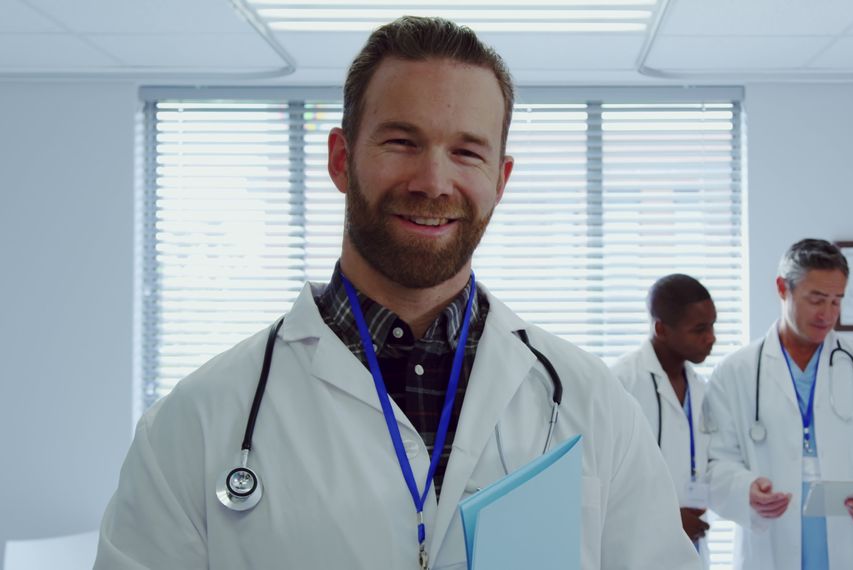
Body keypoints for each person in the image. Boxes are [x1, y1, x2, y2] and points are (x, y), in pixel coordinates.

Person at [94, 16, 699, 570]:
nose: (433, 182)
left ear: (500, 179)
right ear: (340, 159)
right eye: (401, 142)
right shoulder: (198, 421)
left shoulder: (592, 405)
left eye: (466, 151)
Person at [701, 238, 853, 570]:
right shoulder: (736, 372)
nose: (828, 314)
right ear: (782, 288)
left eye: (837, 301)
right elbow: (715, 461)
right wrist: (746, 489)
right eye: (816, 299)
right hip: (771, 541)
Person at [611, 274, 717, 568]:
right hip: (637, 549)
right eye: (699, 329)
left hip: (691, 545)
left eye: (712, 325)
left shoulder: (699, 386)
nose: (711, 337)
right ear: (661, 329)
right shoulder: (621, 382)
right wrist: (667, 518)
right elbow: (606, 478)